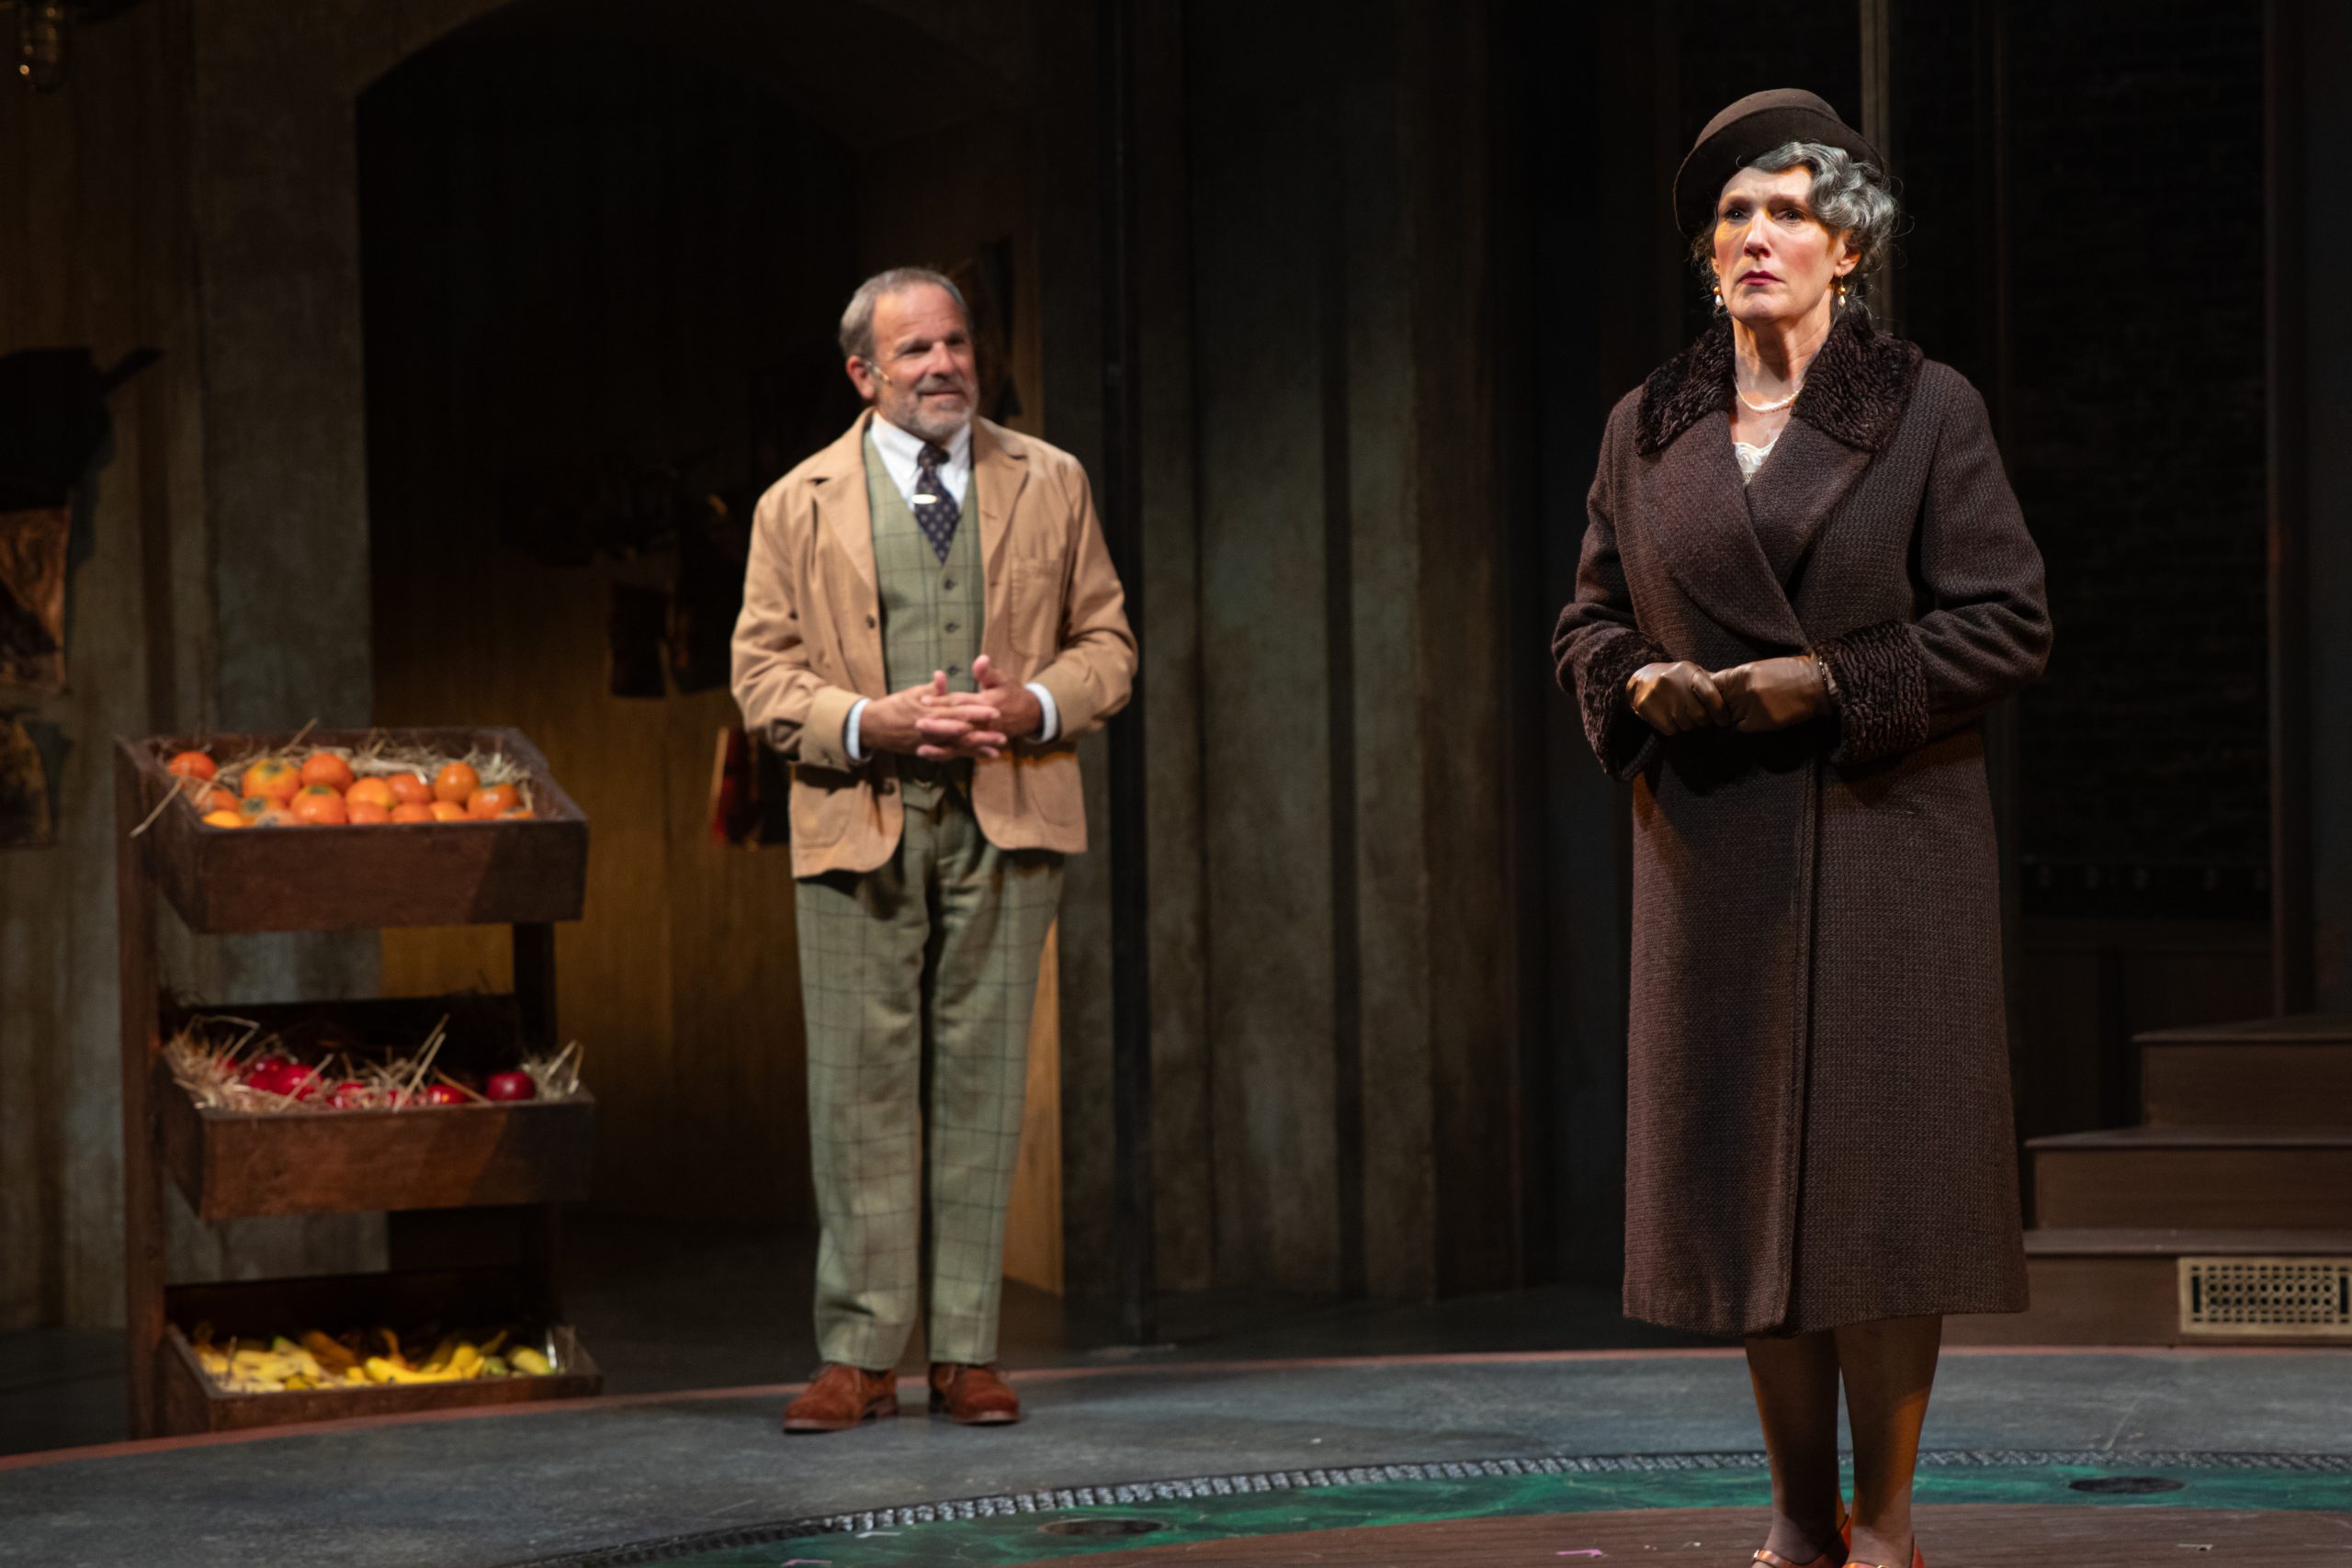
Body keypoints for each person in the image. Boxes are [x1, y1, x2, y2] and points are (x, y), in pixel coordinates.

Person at [1552, 90, 2050, 1568]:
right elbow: (1585, 616)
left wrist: (1827, 680)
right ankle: (1793, 1513)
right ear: (1708, 258)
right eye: (1733, 216)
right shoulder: (1648, 425)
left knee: (1883, 1188)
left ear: (1850, 245)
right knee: (1744, 1186)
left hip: (1889, 836)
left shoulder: (1925, 407)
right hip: (1716, 846)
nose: (1756, 236)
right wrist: (1635, 679)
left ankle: (1884, 1521)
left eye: (1787, 210)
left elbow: (2009, 620)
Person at [732, 266, 1136, 1433]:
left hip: (1007, 813)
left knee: (982, 1087)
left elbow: (1108, 646)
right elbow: (760, 678)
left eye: (955, 342)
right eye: (914, 350)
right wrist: (873, 721)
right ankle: (858, 1357)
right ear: (863, 373)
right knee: (856, 1092)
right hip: (858, 817)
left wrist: (1033, 706)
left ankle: (965, 1353)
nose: (943, 365)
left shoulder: (1050, 479)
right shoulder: (795, 504)